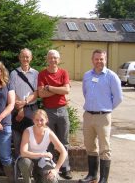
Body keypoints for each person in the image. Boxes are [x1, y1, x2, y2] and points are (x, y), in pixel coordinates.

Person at [79, 49, 123, 183]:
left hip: (103, 117)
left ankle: (103, 179)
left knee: (105, 148)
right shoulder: (87, 75)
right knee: (90, 146)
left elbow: (118, 97)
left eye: (101, 59)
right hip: (88, 116)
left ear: (105, 60)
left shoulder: (111, 76)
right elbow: (85, 93)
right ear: (92, 60)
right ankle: (92, 175)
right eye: (96, 59)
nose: (99, 61)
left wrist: (106, 109)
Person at [37, 49, 72, 179]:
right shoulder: (42, 74)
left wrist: (50, 88)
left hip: (62, 110)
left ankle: (65, 168)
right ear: (47, 59)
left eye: (55, 58)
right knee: (49, 141)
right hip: (48, 111)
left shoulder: (64, 73)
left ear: (59, 59)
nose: (53, 60)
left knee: (64, 141)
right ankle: (50, 167)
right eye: (50, 58)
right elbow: (41, 94)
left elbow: (67, 90)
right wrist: (59, 90)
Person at [18, 109, 67, 183]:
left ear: (46, 120)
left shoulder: (49, 133)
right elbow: (23, 153)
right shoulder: (27, 131)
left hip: (43, 161)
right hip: (29, 159)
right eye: (36, 120)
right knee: (24, 163)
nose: (39, 122)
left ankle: (40, 178)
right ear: (33, 120)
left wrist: (56, 169)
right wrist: (42, 154)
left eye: (42, 120)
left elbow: (64, 152)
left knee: (51, 179)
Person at [10, 48, 38, 158]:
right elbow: (12, 92)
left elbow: (36, 92)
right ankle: (19, 168)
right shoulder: (13, 73)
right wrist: (21, 108)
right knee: (17, 140)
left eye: (27, 57)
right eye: (23, 56)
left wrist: (25, 102)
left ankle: (29, 168)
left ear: (31, 58)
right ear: (19, 58)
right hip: (17, 110)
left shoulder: (36, 73)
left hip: (32, 109)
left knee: (31, 140)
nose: (25, 59)